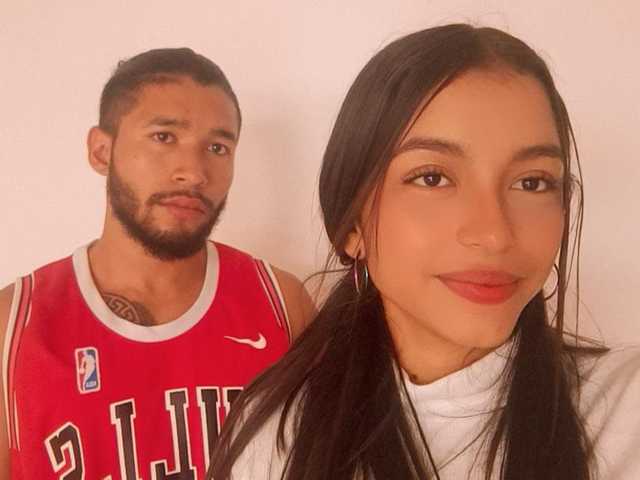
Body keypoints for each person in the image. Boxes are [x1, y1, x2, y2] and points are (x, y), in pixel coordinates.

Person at [209, 24, 640, 479]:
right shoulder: (277, 436)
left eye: (532, 182)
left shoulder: (625, 410)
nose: (494, 234)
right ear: (353, 225)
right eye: (432, 177)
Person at [0, 48, 314, 479]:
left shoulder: (283, 304)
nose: (194, 172)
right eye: (164, 137)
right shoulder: (13, 326)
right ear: (101, 151)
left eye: (218, 147)